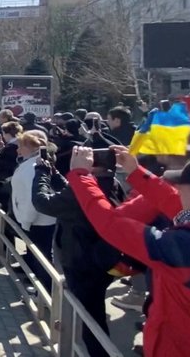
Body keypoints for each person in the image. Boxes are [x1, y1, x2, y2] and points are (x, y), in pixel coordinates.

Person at [68, 148, 190, 356]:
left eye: (180, 187)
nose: (175, 190)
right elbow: (171, 200)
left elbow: (111, 224)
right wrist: (135, 172)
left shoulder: (186, 248)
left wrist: (81, 176)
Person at [31, 142, 126, 357]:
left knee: (89, 318)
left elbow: (43, 202)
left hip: (81, 261)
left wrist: (41, 173)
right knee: (94, 309)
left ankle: (97, 352)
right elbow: (78, 191)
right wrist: (56, 175)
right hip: (102, 260)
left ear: (92, 165)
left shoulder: (80, 190)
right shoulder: (111, 183)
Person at [9, 130, 56, 290]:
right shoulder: (33, 163)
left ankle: (45, 292)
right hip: (40, 219)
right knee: (40, 256)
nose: (18, 150)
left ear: (30, 147)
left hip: (37, 221)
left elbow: (31, 198)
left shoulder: (33, 167)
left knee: (41, 258)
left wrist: (26, 221)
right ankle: (42, 289)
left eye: (21, 146)